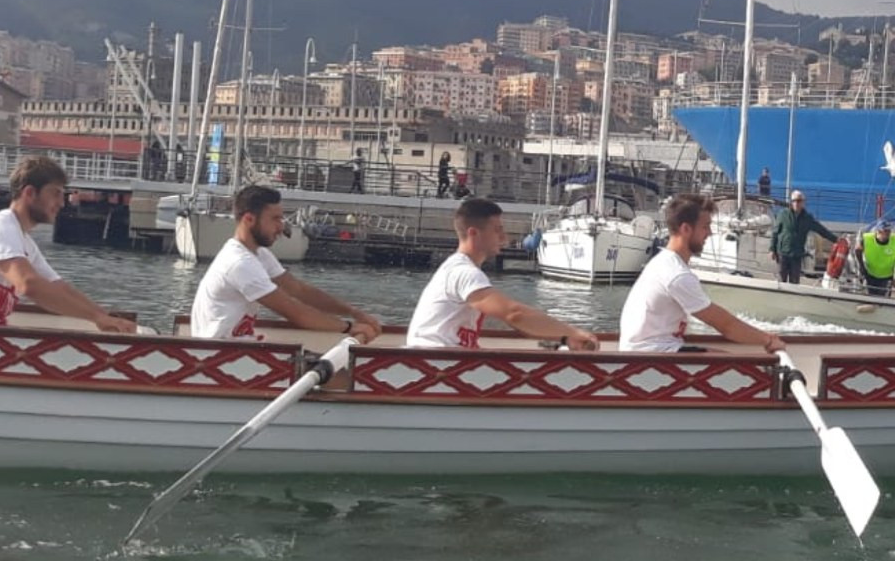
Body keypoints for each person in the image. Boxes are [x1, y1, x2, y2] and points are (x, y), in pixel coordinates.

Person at [0, 155, 134, 332]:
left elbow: (58, 286)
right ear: (29, 193)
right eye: (56, 193)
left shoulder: (24, 241)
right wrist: (96, 319)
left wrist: (103, 317)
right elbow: (28, 285)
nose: (62, 203)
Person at [190, 185, 383, 343]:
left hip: (239, 350)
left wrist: (354, 313)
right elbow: (294, 312)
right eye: (275, 219)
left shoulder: (260, 254)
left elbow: (299, 291)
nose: (281, 226)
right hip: (216, 356)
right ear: (249, 219)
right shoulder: (239, 263)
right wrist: (349, 328)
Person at [407, 198, 600, 350]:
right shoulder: (463, 272)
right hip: (434, 363)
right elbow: (514, 314)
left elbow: (517, 321)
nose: (504, 237)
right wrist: (574, 332)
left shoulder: (460, 269)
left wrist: (564, 338)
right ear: (474, 233)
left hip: (445, 361)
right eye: (497, 230)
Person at [619, 194, 786, 354]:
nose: (710, 233)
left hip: (651, 350)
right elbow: (725, 325)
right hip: (649, 355)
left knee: (728, 361)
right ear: (686, 229)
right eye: (705, 227)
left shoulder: (663, 262)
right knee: (732, 367)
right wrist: (768, 341)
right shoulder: (677, 274)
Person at [768, 190, 838, 285]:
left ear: (803, 202)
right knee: (781, 283)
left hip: (797, 255)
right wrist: (772, 249)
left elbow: (821, 230)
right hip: (782, 254)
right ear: (791, 202)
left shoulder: (807, 218)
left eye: (799, 201)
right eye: (794, 201)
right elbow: (775, 232)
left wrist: (836, 240)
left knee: (795, 283)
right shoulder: (783, 214)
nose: (796, 203)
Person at [860, 222, 895, 297]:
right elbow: (857, 250)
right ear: (878, 231)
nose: (888, 233)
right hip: (870, 274)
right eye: (885, 231)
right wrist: (861, 267)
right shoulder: (867, 238)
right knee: (868, 298)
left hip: (887, 276)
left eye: (889, 231)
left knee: (883, 300)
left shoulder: (893, 240)